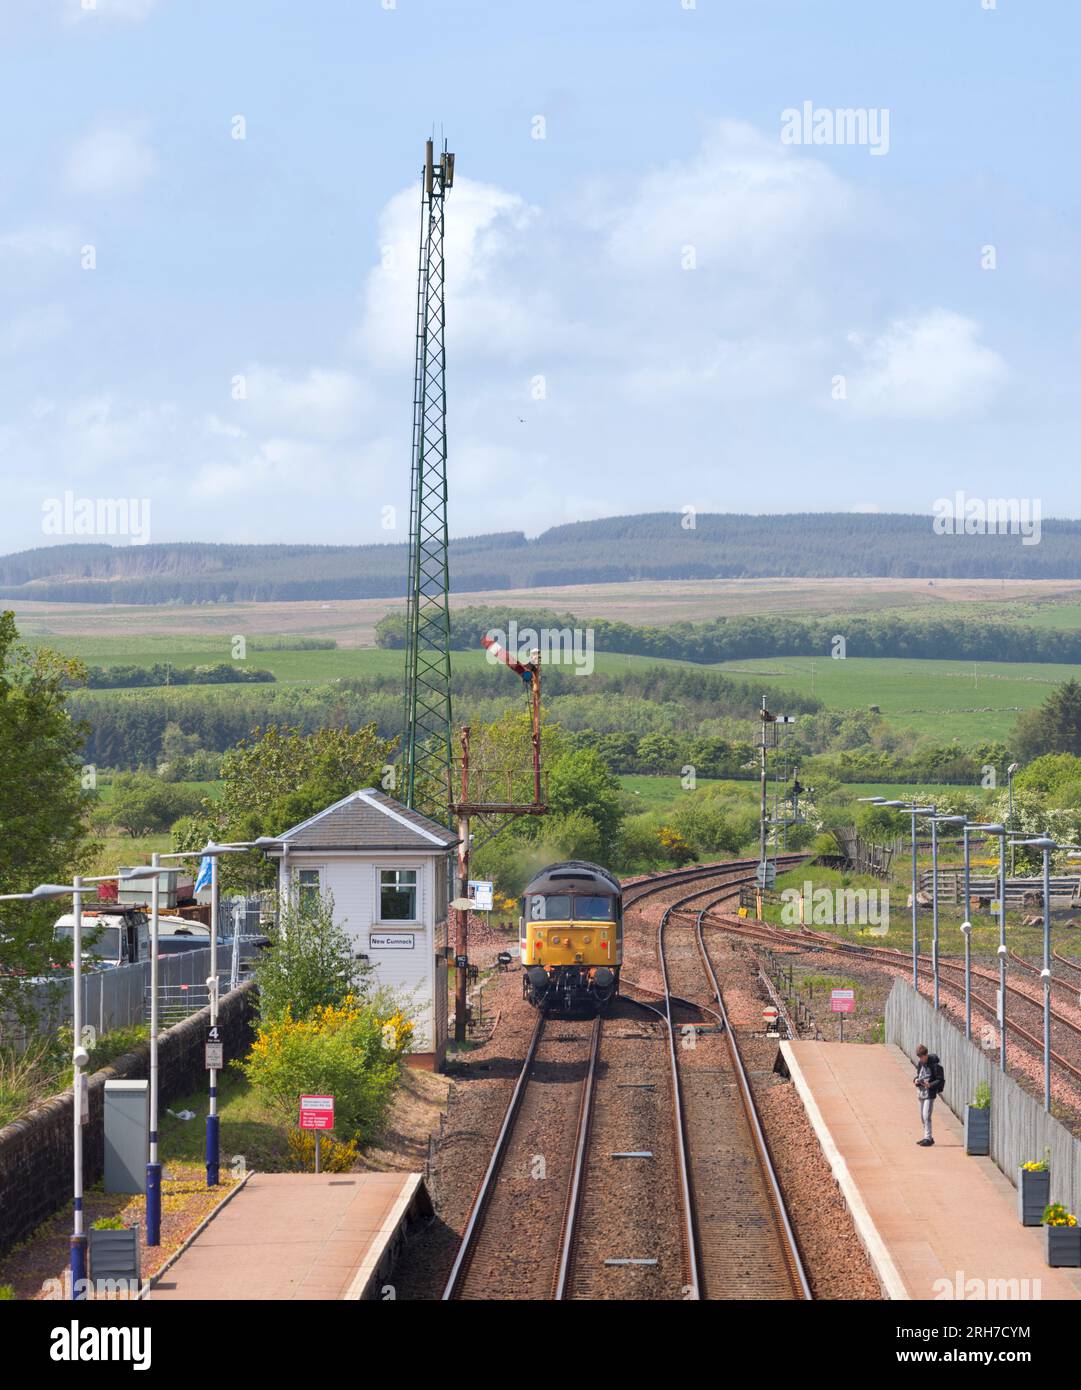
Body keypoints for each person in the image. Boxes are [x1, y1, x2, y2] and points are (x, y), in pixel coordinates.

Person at [914, 1043, 945, 1146]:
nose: (921, 1059)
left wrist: (930, 1085)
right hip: (921, 1092)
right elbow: (918, 1075)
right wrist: (915, 1080)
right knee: (922, 1116)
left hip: (929, 1093)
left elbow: (940, 1080)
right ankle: (927, 1137)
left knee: (926, 1115)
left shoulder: (934, 1065)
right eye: (919, 1057)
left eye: (922, 1057)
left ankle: (928, 1137)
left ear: (926, 1055)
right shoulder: (920, 1064)